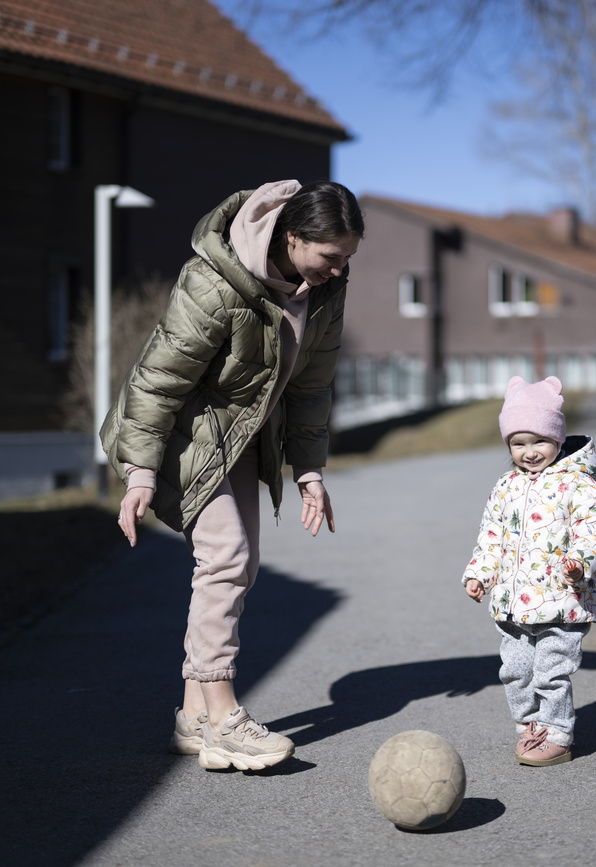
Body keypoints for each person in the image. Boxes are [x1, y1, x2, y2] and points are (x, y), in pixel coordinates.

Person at [100, 179, 362, 772]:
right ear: (293, 237)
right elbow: (157, 378)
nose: (340, 270)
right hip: (178, 433)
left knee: (237, 567)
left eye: (348, 258)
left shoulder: (323, 289)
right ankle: (223, 719)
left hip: (240, 438)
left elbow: (312, 385)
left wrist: (310, 473)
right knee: (225, 556)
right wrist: (139, 472)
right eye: (330, 256)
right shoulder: (215, 281)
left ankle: (193, 717)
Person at [462, 375, 596, 766]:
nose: (529, 452)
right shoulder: (505, 487)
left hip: (562, 602)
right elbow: (491, 537)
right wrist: (479, 574)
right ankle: (530, 725)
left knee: (550, 672)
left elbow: (594, 530)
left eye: (539, 441)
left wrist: (581, 564)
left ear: (558, 439)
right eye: (518, 443)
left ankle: (558, 733)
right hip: (513, 606)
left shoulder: (577, 484)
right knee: (514, 671)